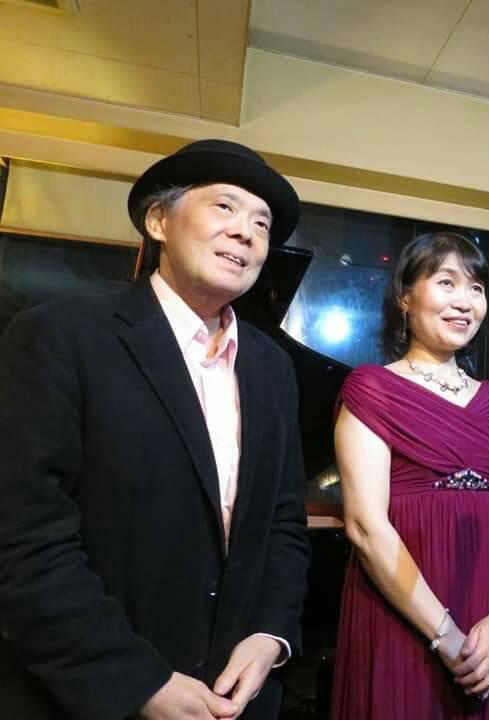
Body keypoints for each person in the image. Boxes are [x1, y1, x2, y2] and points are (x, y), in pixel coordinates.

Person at [0, 139, 311, 720]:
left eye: (261, 223)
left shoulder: (271, 368)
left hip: (233, 697)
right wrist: (138, 683)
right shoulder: (59, 336)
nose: (245, 232)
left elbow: (284, 521)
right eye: (225, 207)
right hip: (93, 695)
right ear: (159, 221)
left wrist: (271, 635)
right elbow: (26, 539)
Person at [330, 231, 489, 719]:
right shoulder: (372, 389)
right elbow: (366, 527)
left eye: (476, 288)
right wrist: (446, 636)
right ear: (405, 297)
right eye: (446, 283)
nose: (465, 301)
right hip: (402, 613)